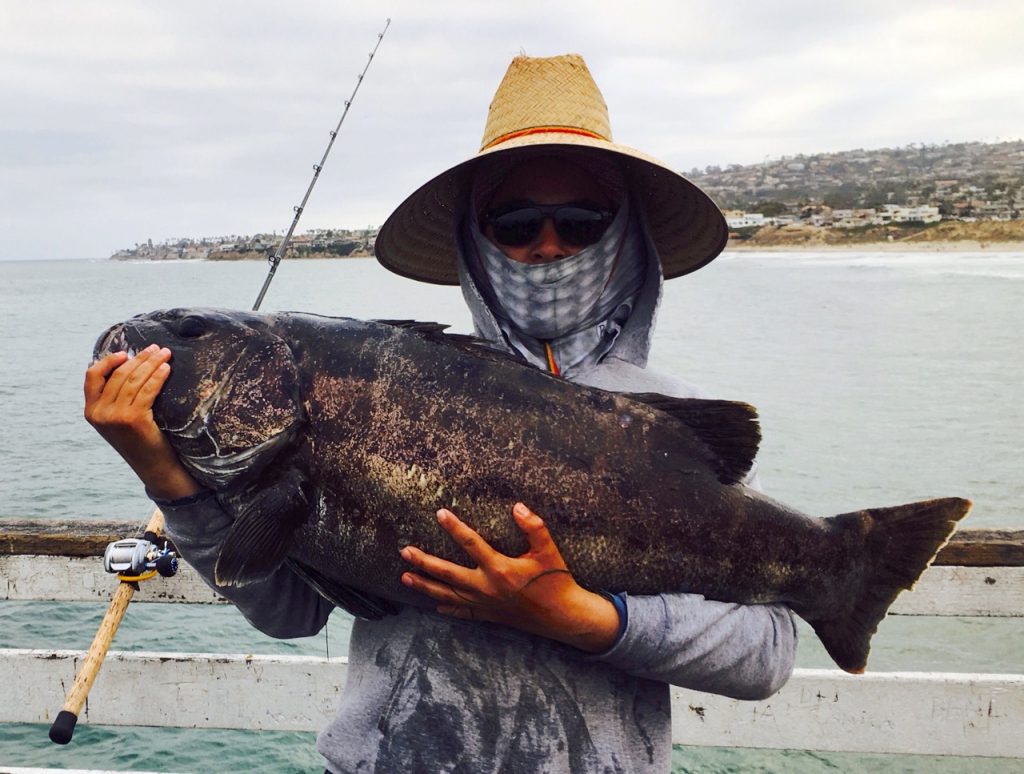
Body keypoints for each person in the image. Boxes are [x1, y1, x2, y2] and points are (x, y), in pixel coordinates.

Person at [85, 54, 797, 773]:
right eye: (514, 221)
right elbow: (289, 615)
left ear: (626, 235)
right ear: (474, 238)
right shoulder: (394, 380)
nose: (548, 244)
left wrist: (585, 618)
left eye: (583, 221)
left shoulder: (669, 424)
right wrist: (168, 480)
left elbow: (767, 653)